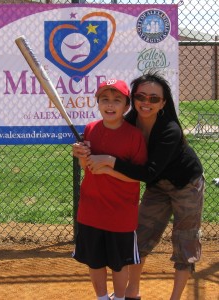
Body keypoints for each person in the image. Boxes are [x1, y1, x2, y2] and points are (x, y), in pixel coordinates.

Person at [73, 72, 205, 300]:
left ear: (163, 103)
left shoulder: (169, 129)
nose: (146, 102)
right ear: (132, 100)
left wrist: (108, 162)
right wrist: (85, 153)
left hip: (186, 184)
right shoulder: (128, 122)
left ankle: (175, 298)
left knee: (185, 242)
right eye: (141, 96)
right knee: (140, 238)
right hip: (157, 185)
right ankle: (131, 293)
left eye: (154, 98)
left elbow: (147, 172)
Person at [72, 79, 147, 300]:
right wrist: (81, 156)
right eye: (105, 99)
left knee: (119, 262)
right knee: (94, 260)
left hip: (121, 212)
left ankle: (120, 298)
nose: (110, 105)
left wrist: (107, 169)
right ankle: (102, 297)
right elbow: (86, 167)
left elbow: (137, 177)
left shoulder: (134, 136)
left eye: (117, 100)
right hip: (91, 209)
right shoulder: (90, 129)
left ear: (126, 106)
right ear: (97, 103)